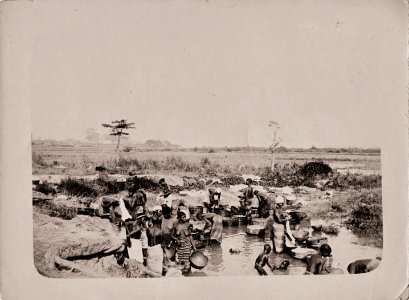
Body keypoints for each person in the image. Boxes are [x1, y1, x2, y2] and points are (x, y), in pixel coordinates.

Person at [172, 210, 197, 275]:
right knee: (180, 262)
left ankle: (188, 274)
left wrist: (194, 247)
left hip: (187, 245)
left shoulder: (188, 225)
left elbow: (190, 236)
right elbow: (172, 235)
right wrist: (176, 239)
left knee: (187, 261)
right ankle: (182, 275)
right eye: (183, 217)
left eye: (185, 217)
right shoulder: (175, 225)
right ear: (179, 218)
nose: (184, 218)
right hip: (179, 246)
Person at [160, 205, 177, 276]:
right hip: (162, 237)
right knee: (163, 256)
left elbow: (175, 232)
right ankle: (164, 270)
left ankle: (172, 271)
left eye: (166, 214)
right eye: (164, 214)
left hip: (170, 239)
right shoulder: (162, 217)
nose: (165, 216)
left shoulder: (174, 220)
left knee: (170, 255)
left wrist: (172, 241)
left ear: (170, 213)